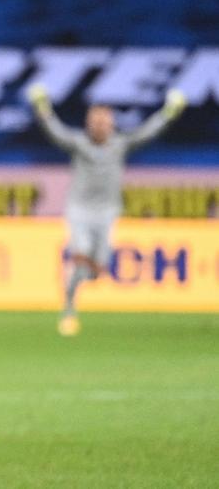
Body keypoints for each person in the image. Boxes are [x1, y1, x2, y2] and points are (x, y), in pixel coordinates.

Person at [27, 83, 185, 336]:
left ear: (111, 124)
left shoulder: (120, 145)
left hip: (107, 212)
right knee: (80, 252)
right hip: (79, 209)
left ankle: (79, 276)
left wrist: (169, 112)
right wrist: (42, 108)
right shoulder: (78, 143)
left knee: (98, 268)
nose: (99, 126)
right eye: (95, 122)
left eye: (104, 122)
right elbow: (54, 131)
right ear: (89, 124)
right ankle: (69, 308)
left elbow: (148, 132)